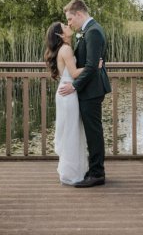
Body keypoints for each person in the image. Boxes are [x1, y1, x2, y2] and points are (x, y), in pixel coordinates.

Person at [58, 0, 111, 188]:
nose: (70, 23)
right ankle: (93, 170)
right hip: (89, 89)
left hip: (92, 90)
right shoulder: (88, 31)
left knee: (94, 133)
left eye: (71, 19)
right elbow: (91, 64)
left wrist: (74, 86)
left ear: (79, 14)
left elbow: (91, 67)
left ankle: (97, 173)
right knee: (91, 132)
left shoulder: (94, 32)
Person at [44, 21, 88, 185]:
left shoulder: (65, 48)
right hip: (68, 93)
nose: (68, 26)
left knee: (70, 130)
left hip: (65, 91)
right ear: (61, 35)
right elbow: (75, 73)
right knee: (71, 131)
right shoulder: (66, 49)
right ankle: (71, 174)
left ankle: (72, 171)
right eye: (65, 26)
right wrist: (93, 66)